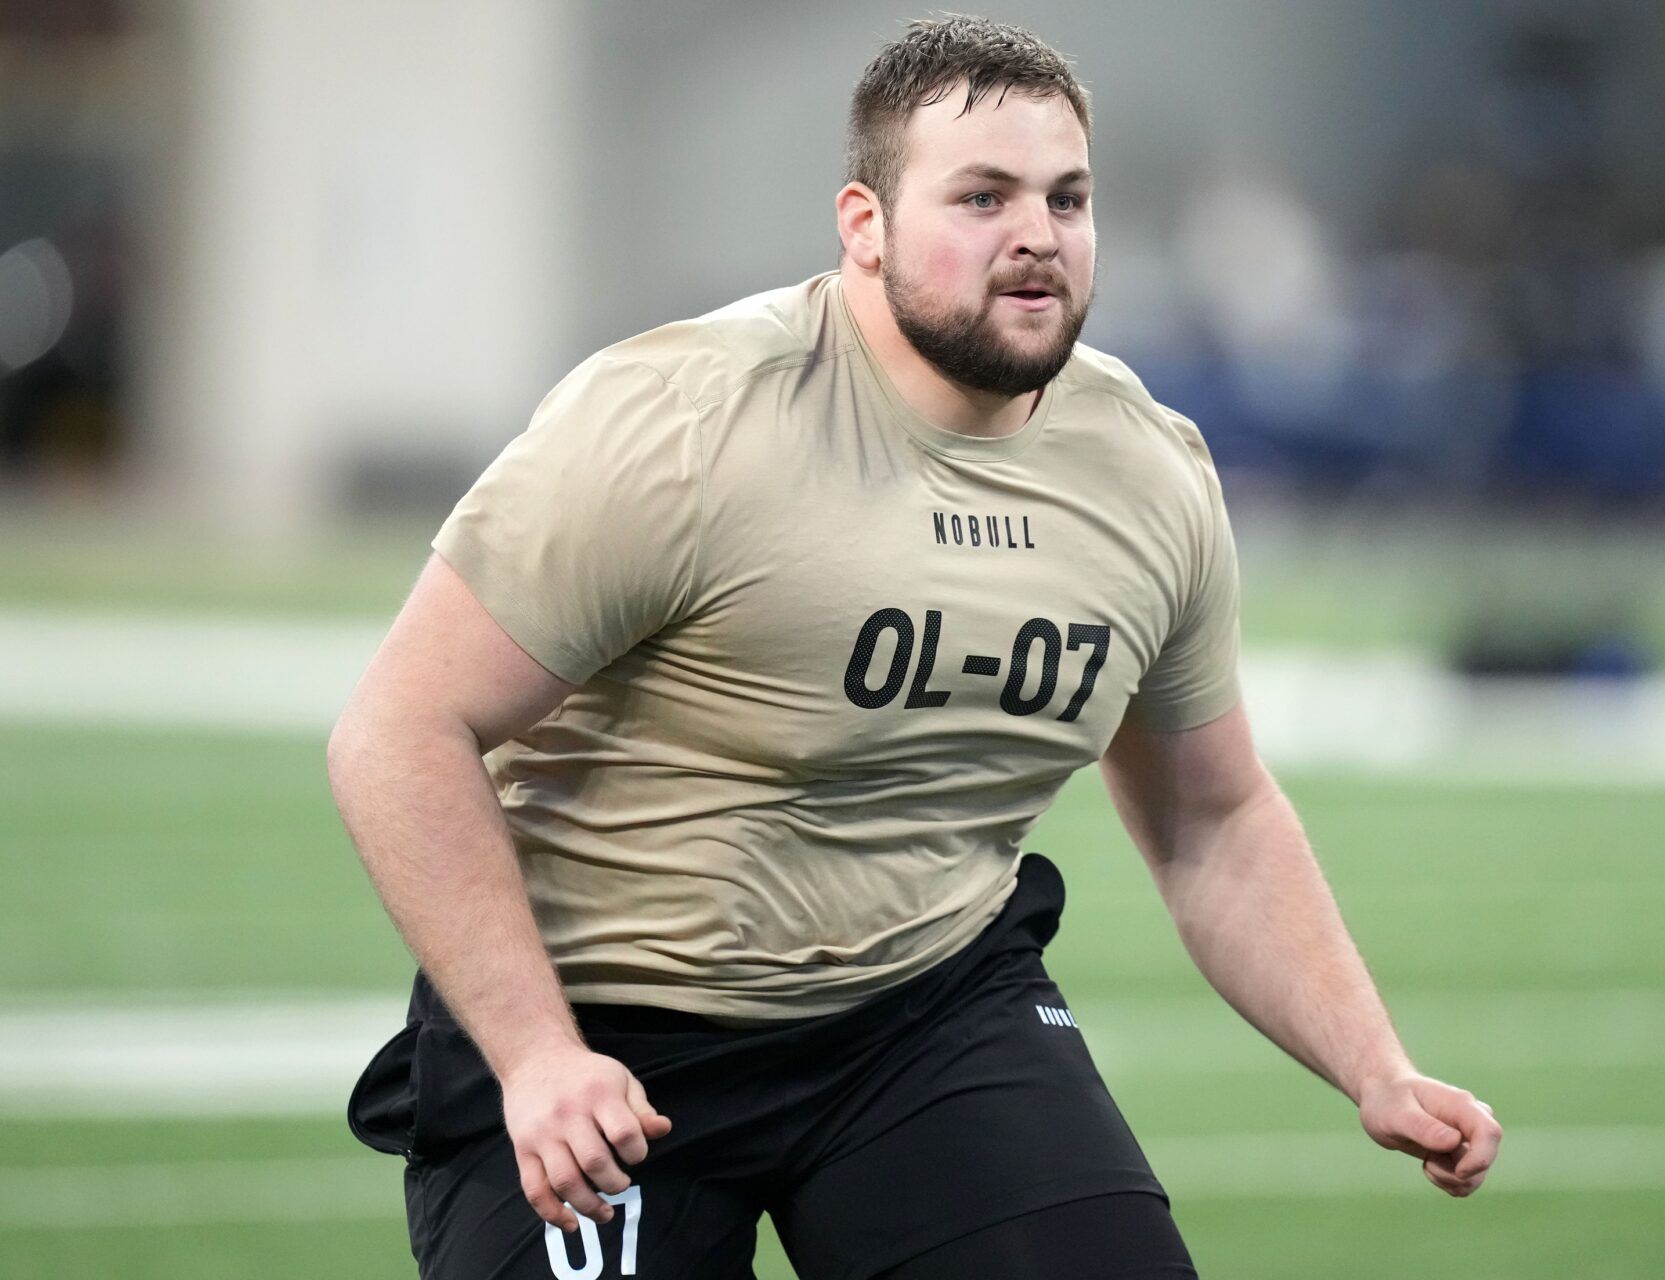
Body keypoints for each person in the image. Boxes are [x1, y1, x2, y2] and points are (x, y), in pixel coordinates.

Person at [329, 15, 1502, 1279]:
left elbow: (1212, 817)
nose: (1037, 234)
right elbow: (398, 728)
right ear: (864, 224)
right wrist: (534, 1051)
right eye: (983, 196)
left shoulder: (1148, 473)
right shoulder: (682, 420)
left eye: (1068, 197)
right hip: (607, 1024)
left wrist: (1373, 1062)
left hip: (922, 1010)